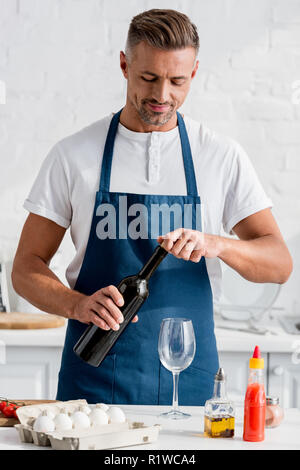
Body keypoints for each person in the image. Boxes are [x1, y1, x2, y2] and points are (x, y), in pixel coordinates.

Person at [12, 9, 292, 405]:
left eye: (177, 81)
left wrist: (218, 245)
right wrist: (77, 304)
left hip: (190, 386)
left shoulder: (220, 156)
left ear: (194, 73)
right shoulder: (74, 155)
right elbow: (26, 267)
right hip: (92, 386)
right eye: (149, 78)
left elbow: (279, 263)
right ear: (124, 65)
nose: (162, 95)